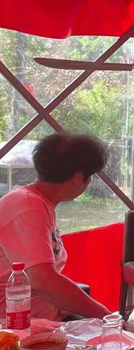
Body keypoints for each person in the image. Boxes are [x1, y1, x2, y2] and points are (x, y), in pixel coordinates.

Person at [0, 133, 111, 321]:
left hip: (44, 313)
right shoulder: (27, 207)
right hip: (17, 323)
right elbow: (43, 280)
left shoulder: (37, 203)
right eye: (90, 176)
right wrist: (104, 315)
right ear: (78, 178)